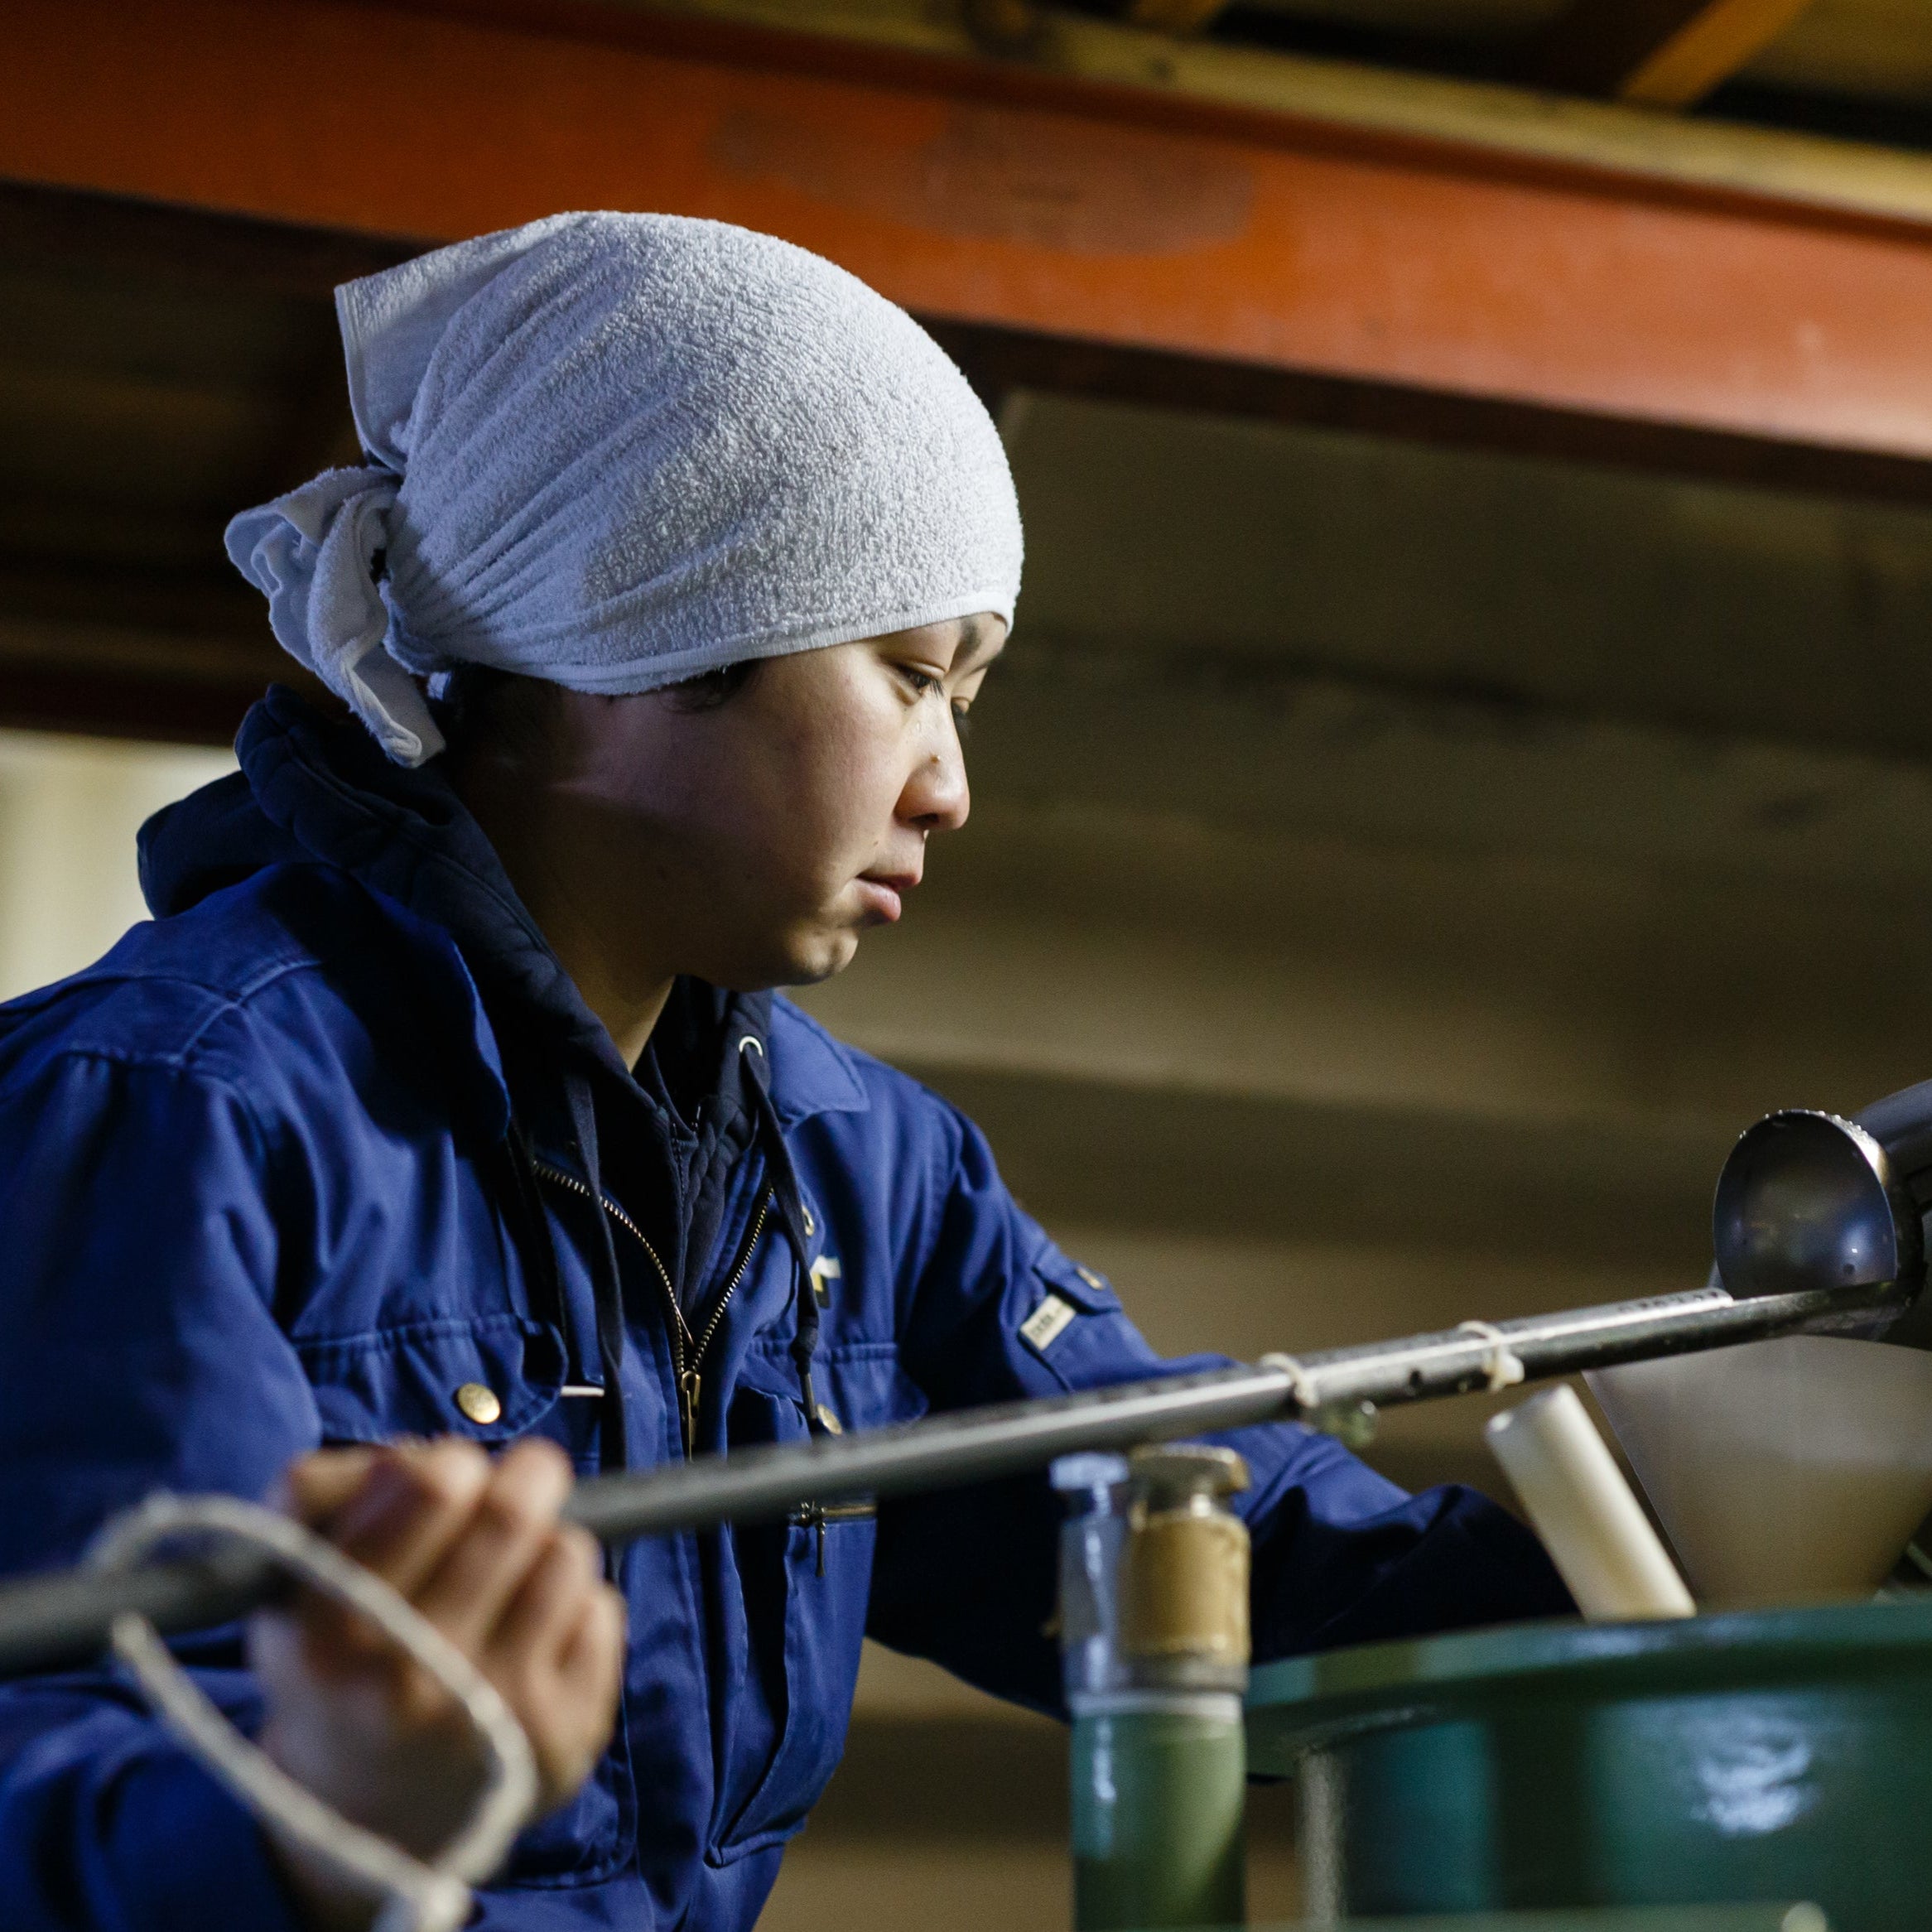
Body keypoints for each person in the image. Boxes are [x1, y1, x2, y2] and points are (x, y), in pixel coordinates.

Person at [0, 213, 1570, 1931]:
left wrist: (1670, 1557)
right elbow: (52, 1760)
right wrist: (322, 1824)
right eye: (908, 676)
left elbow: (1169, 1521)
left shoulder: (853, 1166)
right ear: (649, 633)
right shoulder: (174, 1109)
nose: (950, 785)